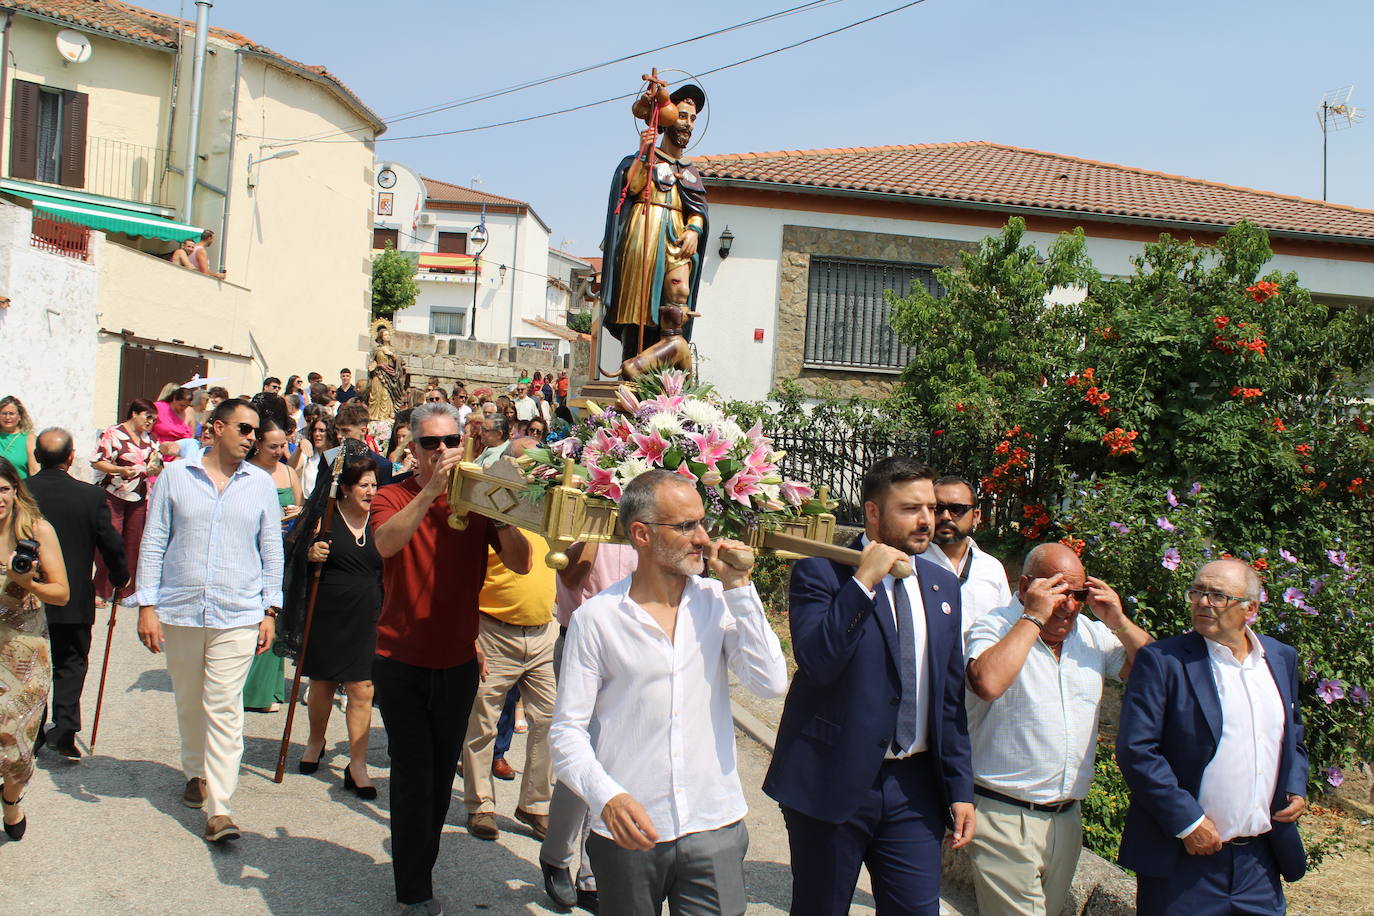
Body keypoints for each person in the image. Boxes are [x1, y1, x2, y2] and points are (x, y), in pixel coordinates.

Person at [551, 471, 785, 916]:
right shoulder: (596, 619)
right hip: (629, 829)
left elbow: (770, 682)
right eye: (685, 527)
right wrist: (608, 797)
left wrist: (740, 588)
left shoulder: (719, 601)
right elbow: (566, 734)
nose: (702, 538)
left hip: (714, 822)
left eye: (703, 523)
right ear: (640, 534)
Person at [764, 456, 975, 915]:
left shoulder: (941, 584)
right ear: (873, 513)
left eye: (932, 507)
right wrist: (863, 582)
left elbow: (948, 695)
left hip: (914, 788)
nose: (928, 520)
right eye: (910, 509)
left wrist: (960, 788)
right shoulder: (822, 572)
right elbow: (819, 661)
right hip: (832, 779)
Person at [370, 401, 532, 914]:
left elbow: (523, 562)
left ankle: (421, 867)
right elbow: (386, 546)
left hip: (459, 661)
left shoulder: (478, 501)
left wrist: (498, 510)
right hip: (400, 658)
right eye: (431, 444)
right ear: (412, 448)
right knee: (413, 771)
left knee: (441, 776)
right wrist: (432, 493)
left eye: (451, 442)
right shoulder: (393, 493)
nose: (442, 451)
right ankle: (412, 891)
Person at [963, 543, 1153, 916]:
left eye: (1077, 594)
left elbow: (1156, 672)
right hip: (1004, 816)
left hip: (1066, 820)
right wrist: (1033, 618)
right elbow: (987, 682)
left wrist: (1119, 622)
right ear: (1025, 586)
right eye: (1058, 592)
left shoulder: (1091, 635)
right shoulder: (994, 625)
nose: (1069, 605)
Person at [1116, 559, 1309, 915]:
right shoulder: (1163, 661)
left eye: (1218, 595)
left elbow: (1292, 732)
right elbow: (1137, 751)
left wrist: (1295, 785)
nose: (1203, 602)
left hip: (1261, 863)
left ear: (1250, 608)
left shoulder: (1280, 658)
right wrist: (1188, 823)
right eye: (1198, 592)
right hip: (1184, 863)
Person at [135, 398, 284, 843]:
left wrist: (269, 610)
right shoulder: (176, 477)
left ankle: (220, 807)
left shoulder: (260, 484)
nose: (251, 438)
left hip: (238, 611)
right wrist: (147, 605)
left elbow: (271, 549)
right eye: (243, 428)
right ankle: (195, 771)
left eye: (254, 431)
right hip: (181, 608)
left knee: (223, 705)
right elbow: (154, 539)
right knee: (189, 697)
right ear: (216, 428)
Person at [540, 540, 638, 910]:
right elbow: (571, 574)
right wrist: (600, 523)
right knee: (584, 755)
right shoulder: (585, 503)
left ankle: (593, 873)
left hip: (635, 648)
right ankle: (558, 856)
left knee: (619, 761)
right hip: (583, 642)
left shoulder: (649, 515)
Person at [26, 429, 128, 759]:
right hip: (72, 595)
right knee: (71, 661)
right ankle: (65, 727)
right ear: (71, 457)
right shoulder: (89, 496)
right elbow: (109, 542)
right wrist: (120, 575)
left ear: (37, 458)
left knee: (30, 665)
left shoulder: (22, 493)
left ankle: (34, 730)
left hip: (30, 593)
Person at [600, 84, 709, 365]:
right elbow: (632, 188)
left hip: (676, 236)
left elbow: (696, 209)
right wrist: (644, 153)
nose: (688, 125)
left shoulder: (688, 171)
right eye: (683, 116)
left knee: (679, 291)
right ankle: (634, 366)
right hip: (645, 231)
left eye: (693, 119)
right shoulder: (643, 158)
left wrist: (694, 228)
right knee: (638, 304)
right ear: (667, 119)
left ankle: (665, 370)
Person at [463, 528, 558, 840]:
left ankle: (535, 804)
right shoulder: (494, 517)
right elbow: (463, 582)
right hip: (493, 630)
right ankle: (480, 805)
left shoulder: (548, 505)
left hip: (543, 632)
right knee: (483, 723)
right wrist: (471, 634)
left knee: (551, 720)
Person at [297, 456, 383, 798]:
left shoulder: (381, 521)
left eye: (374, 485)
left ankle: (357, 763)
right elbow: (294, 553)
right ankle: (316, 740)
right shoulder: (327, 516)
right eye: (364, 485)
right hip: (329, 612)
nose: (371, 491)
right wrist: (310, 551)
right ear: (345, 489)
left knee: (362, 688)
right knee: (322, 685)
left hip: (368, 613)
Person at [0, 455, 70, 840]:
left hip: (25, 657)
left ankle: (11, 800)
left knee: (18, 747)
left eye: (4, 489)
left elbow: (61, 593)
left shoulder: (37, 530)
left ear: (15, 491)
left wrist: (24, 581)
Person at [241, 416, 301, 713]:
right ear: (258, 445)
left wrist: (296, 512)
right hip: (251, 550)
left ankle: (266, 691)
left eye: (283, 445)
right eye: (273, 446)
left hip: (283, 552)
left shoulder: (289, 473)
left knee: (273, 617)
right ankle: (243, 688)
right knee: (251, 619)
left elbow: (304, 509)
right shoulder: (246, 473)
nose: (279, 451)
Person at [920, 476, 1012, 640]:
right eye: (937, 508)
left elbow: (1005, 627)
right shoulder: (911, 563)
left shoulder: (991, 568)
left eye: (957, 509)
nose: (946, 516)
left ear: (975, 516)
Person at [91, 398, 158, 606]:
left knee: (133, 544)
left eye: (154, 419)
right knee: (110, 541)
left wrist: (155, 469)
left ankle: (125, 591)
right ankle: (100, 590)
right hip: (114, 493)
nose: (150, 422)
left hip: (138, 495)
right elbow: (98, 461)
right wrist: (120, 470)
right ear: (134, 414)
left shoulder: (150, 438)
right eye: (148, 417)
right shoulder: (113, 433)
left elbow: (154, 462)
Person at [328, 403, 394, 486]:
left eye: (345, 431)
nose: (339, 436)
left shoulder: (382, 465)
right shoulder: (329, 457)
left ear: (363, 431)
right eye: (337, 430)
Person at [367, 319, 407, 422]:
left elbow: (400, 363)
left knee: (386, 395)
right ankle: (374, 417)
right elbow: (374, 361)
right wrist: (375, 365)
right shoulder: (377, 349)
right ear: (381, 337)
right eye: (385, 335)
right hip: (378, 375)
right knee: (376, 394)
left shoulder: (393, 349)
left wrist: (391, 354)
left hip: (389, 377)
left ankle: (385, 416)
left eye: (388, 335)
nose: (387, 337)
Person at [0, 395, 39, 478]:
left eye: (11, 414)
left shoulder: (29, 439)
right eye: (4, 414)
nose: (7, 417)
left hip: (20, 488)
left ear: (19, 416)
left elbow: (34, 470)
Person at [152, 387, 195, 460]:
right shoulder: (158, 407)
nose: (184, 408)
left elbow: (191, 439)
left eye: (186, 406)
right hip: (159, 452)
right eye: (181, 405)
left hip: (181, 455)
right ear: (174, 399)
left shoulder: (190, 412)